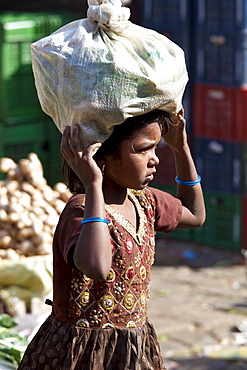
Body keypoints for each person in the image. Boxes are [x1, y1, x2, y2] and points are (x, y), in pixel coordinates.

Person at [17, 108, 205, 370]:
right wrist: (93, 183)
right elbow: (96, 266)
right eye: (142, 150)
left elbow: (195, 215)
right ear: (102, 157)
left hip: (132, 349)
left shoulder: (145, 201)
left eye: (155, 148)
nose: (154, 160)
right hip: (80, 354)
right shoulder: (80, 210)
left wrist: (180, 148)